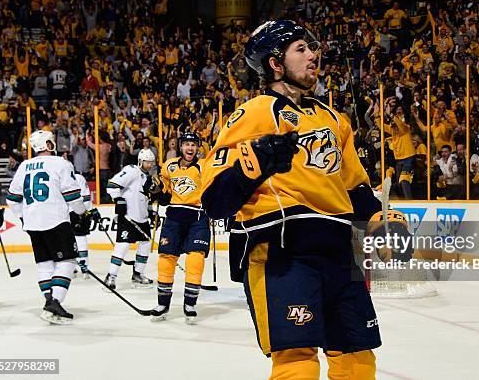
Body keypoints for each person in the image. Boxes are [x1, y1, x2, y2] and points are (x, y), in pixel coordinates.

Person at [200, 20, 404, 379]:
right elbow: (214, 200)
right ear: (276, 64)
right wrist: (251, 170)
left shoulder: (333, 118)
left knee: (358, 360)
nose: (314, 55)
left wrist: (380, 218)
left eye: (312, 48)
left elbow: (355, 187)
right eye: (301, 49)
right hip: (282, 250)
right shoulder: (256, 112)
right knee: (297, 364)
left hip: (339, 251)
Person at [7, 130, 86, 324]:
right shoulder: (61, 163)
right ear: (49, 145)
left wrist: (23, 217)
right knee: (67, 261)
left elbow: (12, 199)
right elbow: (72, 196)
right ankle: (55, 302)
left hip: (33, 223)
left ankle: (50, 302)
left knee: (44, 264)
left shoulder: (24, 165)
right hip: (56, 220)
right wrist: (82, 212)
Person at [149, 132, 210, 324]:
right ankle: (162, 304)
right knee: (166, 259)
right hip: (174, 216)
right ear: (180, 147)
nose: (190, 148)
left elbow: (212, 189)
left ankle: (190, 304)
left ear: (198, 147)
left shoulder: (204, 166)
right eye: (186, 145)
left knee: (195, 258)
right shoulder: (169, 166)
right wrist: (156, 190)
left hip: (197, 216)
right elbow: (166, 196)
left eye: (193, 145)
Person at [104, 148, 156, 289]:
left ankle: (138, 274)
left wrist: (150, 212)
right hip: (128, 217)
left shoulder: (148, 177)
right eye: (147, 162)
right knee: (123, 246)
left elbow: (146, 197)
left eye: (151, 162)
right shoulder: (132, 170)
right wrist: (119, 200)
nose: (150, 165)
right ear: (140, 161)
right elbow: (112, 185)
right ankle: (111, 276)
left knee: (145, 245)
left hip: (142, 218)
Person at [69, 172, 101, 279]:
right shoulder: (78, 177)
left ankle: (71, 269)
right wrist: (90, 210)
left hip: (64, 214)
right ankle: (84, 268)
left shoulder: (57, 178)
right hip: (79, 210)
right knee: (80, 239)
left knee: (68, 241)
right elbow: (86, 197)